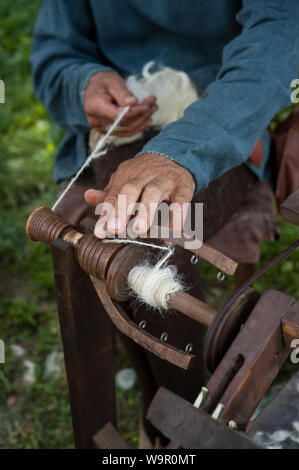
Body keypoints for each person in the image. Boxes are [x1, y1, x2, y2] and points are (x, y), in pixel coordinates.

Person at [31, 0, 299, 446]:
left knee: (153, 228)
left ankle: (181, 423)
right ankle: (172, 418)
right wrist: (83, 83)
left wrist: (182, 151)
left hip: (223, 124)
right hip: (116, 135)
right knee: (122, 229)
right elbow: (55, 54)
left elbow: (279, 40)